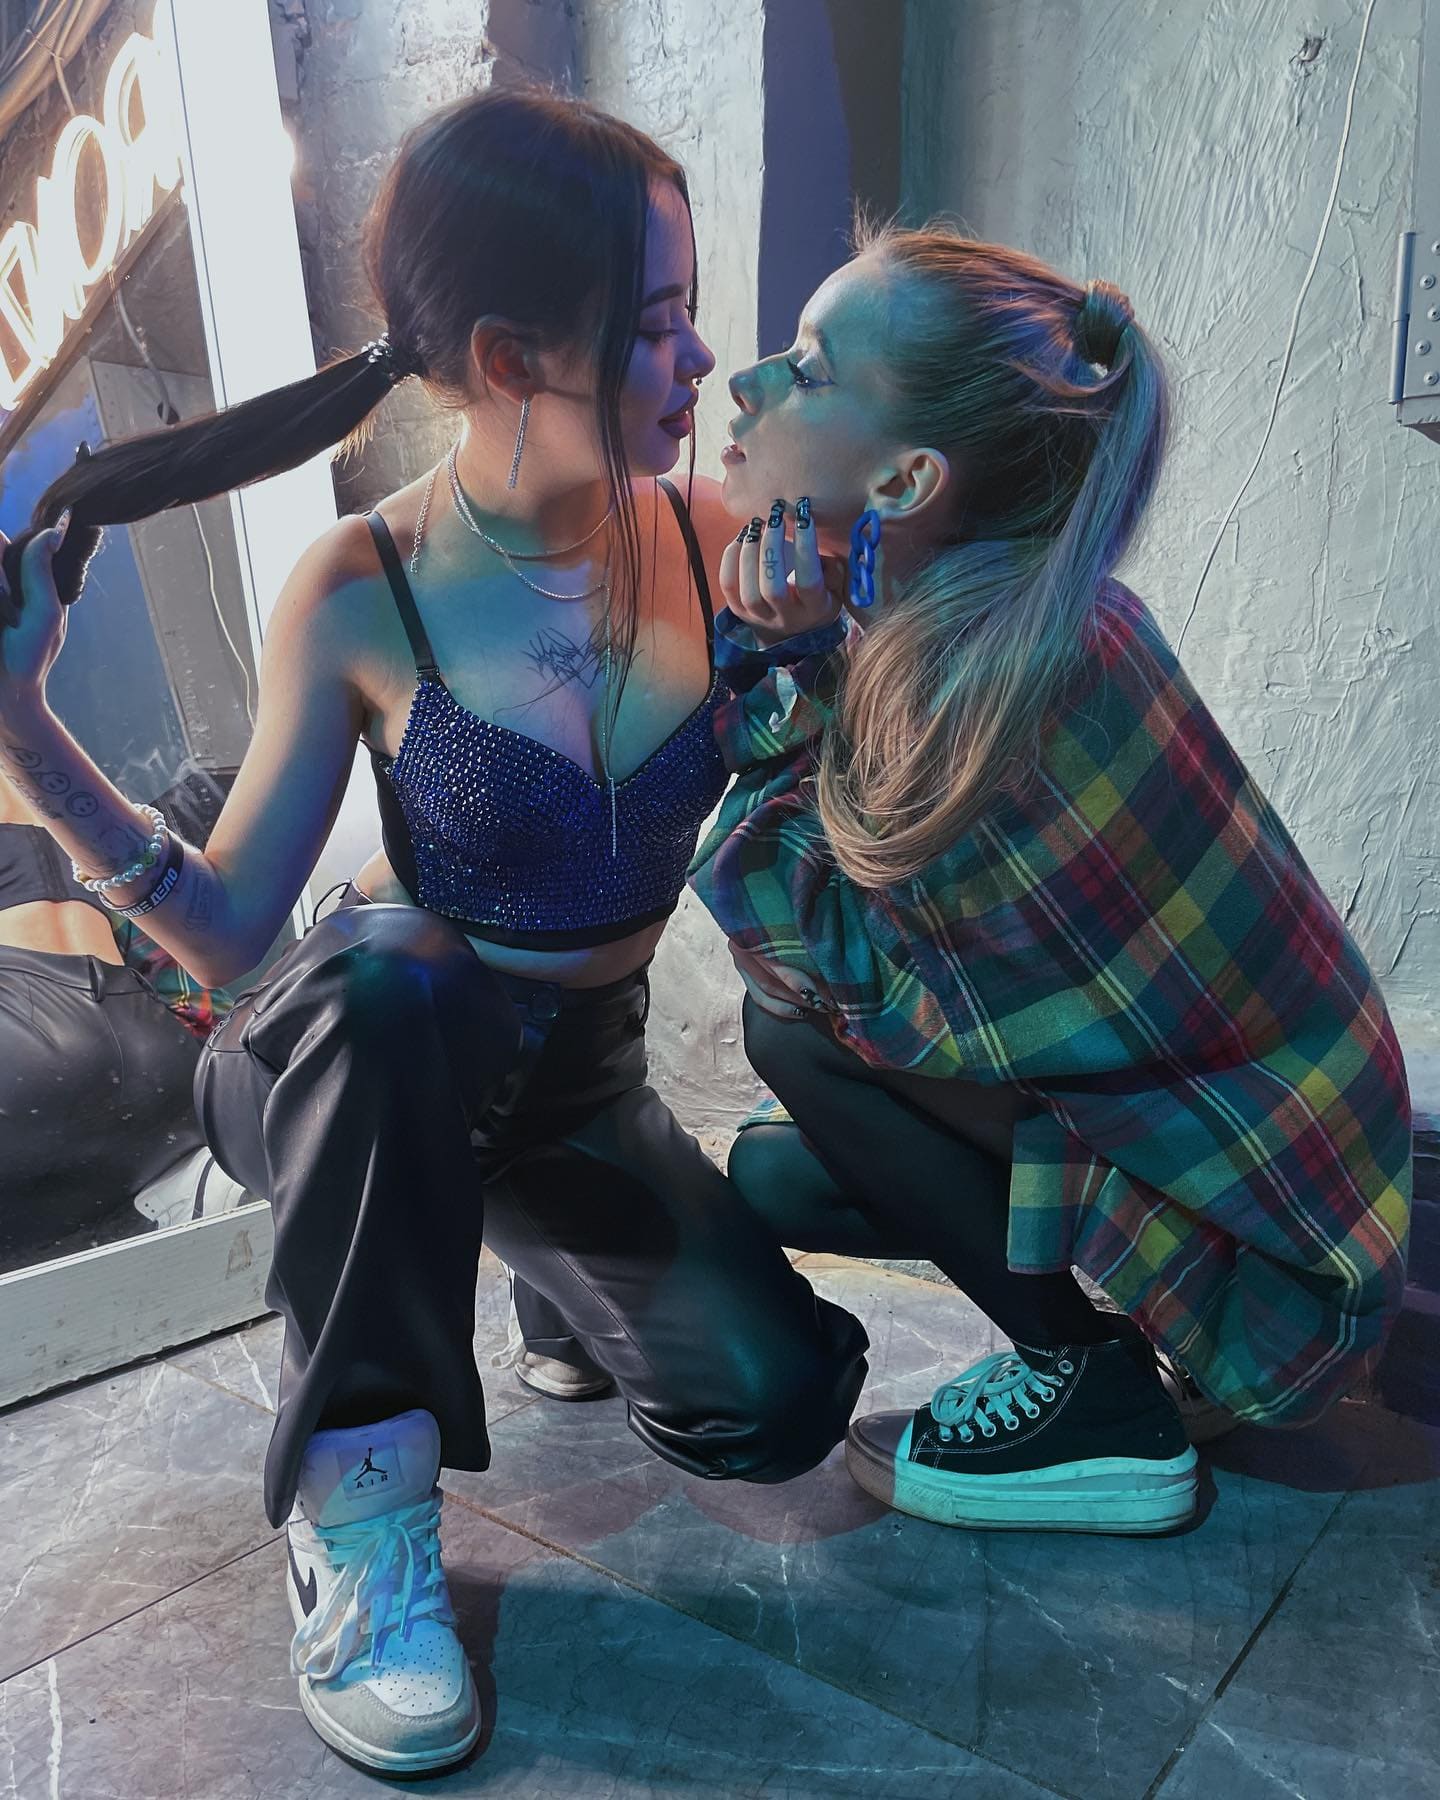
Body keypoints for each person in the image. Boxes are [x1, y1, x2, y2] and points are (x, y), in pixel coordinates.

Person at [0, 88, 867, 1778]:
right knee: (398, 982)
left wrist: (825, 655)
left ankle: (539, 1269)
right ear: (509, 353)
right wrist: (24, 727)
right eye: (660, 325)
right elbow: (225, 936)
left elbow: (833, 812)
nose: (699, 362)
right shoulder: (362, 583)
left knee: (778, 1404)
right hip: (350, 1057)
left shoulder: (715, 550)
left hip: (574, 1089)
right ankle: (361, 1510)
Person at [686, 218, 1413, 1537]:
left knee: (790, 1037)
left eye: (808, 366)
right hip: (1277, 1167)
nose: (747, 384)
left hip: (1277, 1221)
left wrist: (775, 661)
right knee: (781, 1174)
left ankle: (1099, 1396)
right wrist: (805, 653)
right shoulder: (984, 620)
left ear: (906, 480)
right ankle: (1144, 1345)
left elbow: (822, 971)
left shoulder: (997, 677)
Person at [0, 776, 242, 1272]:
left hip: (20, 1065)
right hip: (157, 1057)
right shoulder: (69, 791)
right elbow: (180, 964)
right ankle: (174, 1188)